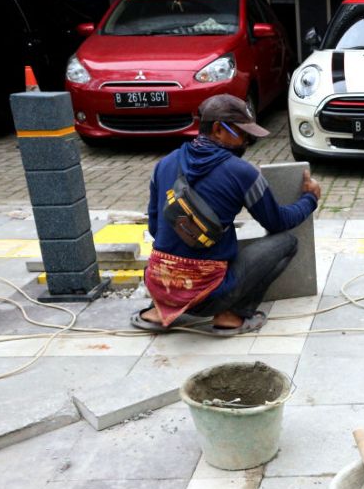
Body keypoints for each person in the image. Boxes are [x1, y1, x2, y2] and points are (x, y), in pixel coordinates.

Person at [131, 94, 320, 335]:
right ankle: (232, 315)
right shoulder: (242, 173)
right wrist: (310, 199)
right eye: (242, 134)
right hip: (210, 296)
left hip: (158, 285)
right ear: (219, 129)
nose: (247, 142)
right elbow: (278, 223)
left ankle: (160, 310)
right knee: (286, 242)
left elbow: (156, 229)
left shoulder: (164, 164)